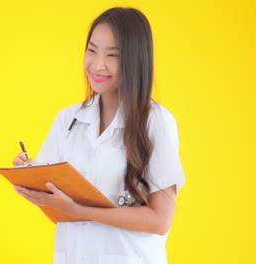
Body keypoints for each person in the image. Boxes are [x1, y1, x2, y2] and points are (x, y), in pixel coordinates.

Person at [12, 7, 185, 264]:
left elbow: (159, 221)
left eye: (112, 55)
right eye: (92, 50)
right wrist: (32, 176)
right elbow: (56, 205)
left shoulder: (155, 121)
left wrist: (79, 210)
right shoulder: (68, 119)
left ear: (135, 60)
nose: (97, 64)